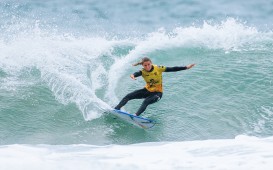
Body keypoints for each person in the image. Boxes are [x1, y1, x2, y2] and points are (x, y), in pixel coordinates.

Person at [114, 57, 195, 116]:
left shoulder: (158, 68)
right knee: (128, 96)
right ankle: (116, 109)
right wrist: (132, 75)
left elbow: (172, 69)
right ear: (143, 66)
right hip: (147, 91)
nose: (147, 67)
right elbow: (136, 73)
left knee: (146, 101)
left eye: (148, 64)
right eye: (145, 65)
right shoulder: (143, 71)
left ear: (151, 63)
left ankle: (135, 116)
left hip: (157, 93)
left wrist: (186, 67)